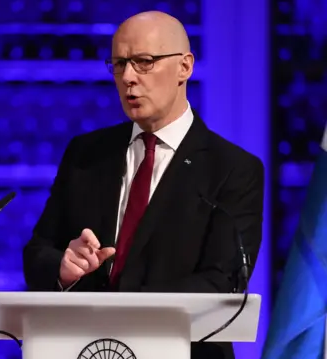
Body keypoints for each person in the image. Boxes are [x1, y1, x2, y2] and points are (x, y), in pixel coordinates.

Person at [22, 10, 264, 359]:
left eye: (144, 62)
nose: (128, 78)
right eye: (119, 64)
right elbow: (37, 252)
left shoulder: (233, 169)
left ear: (185, 67)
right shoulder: (86, 154)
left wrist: (121, 312)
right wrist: (63, 268)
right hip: (85, 349)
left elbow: (221, 280)